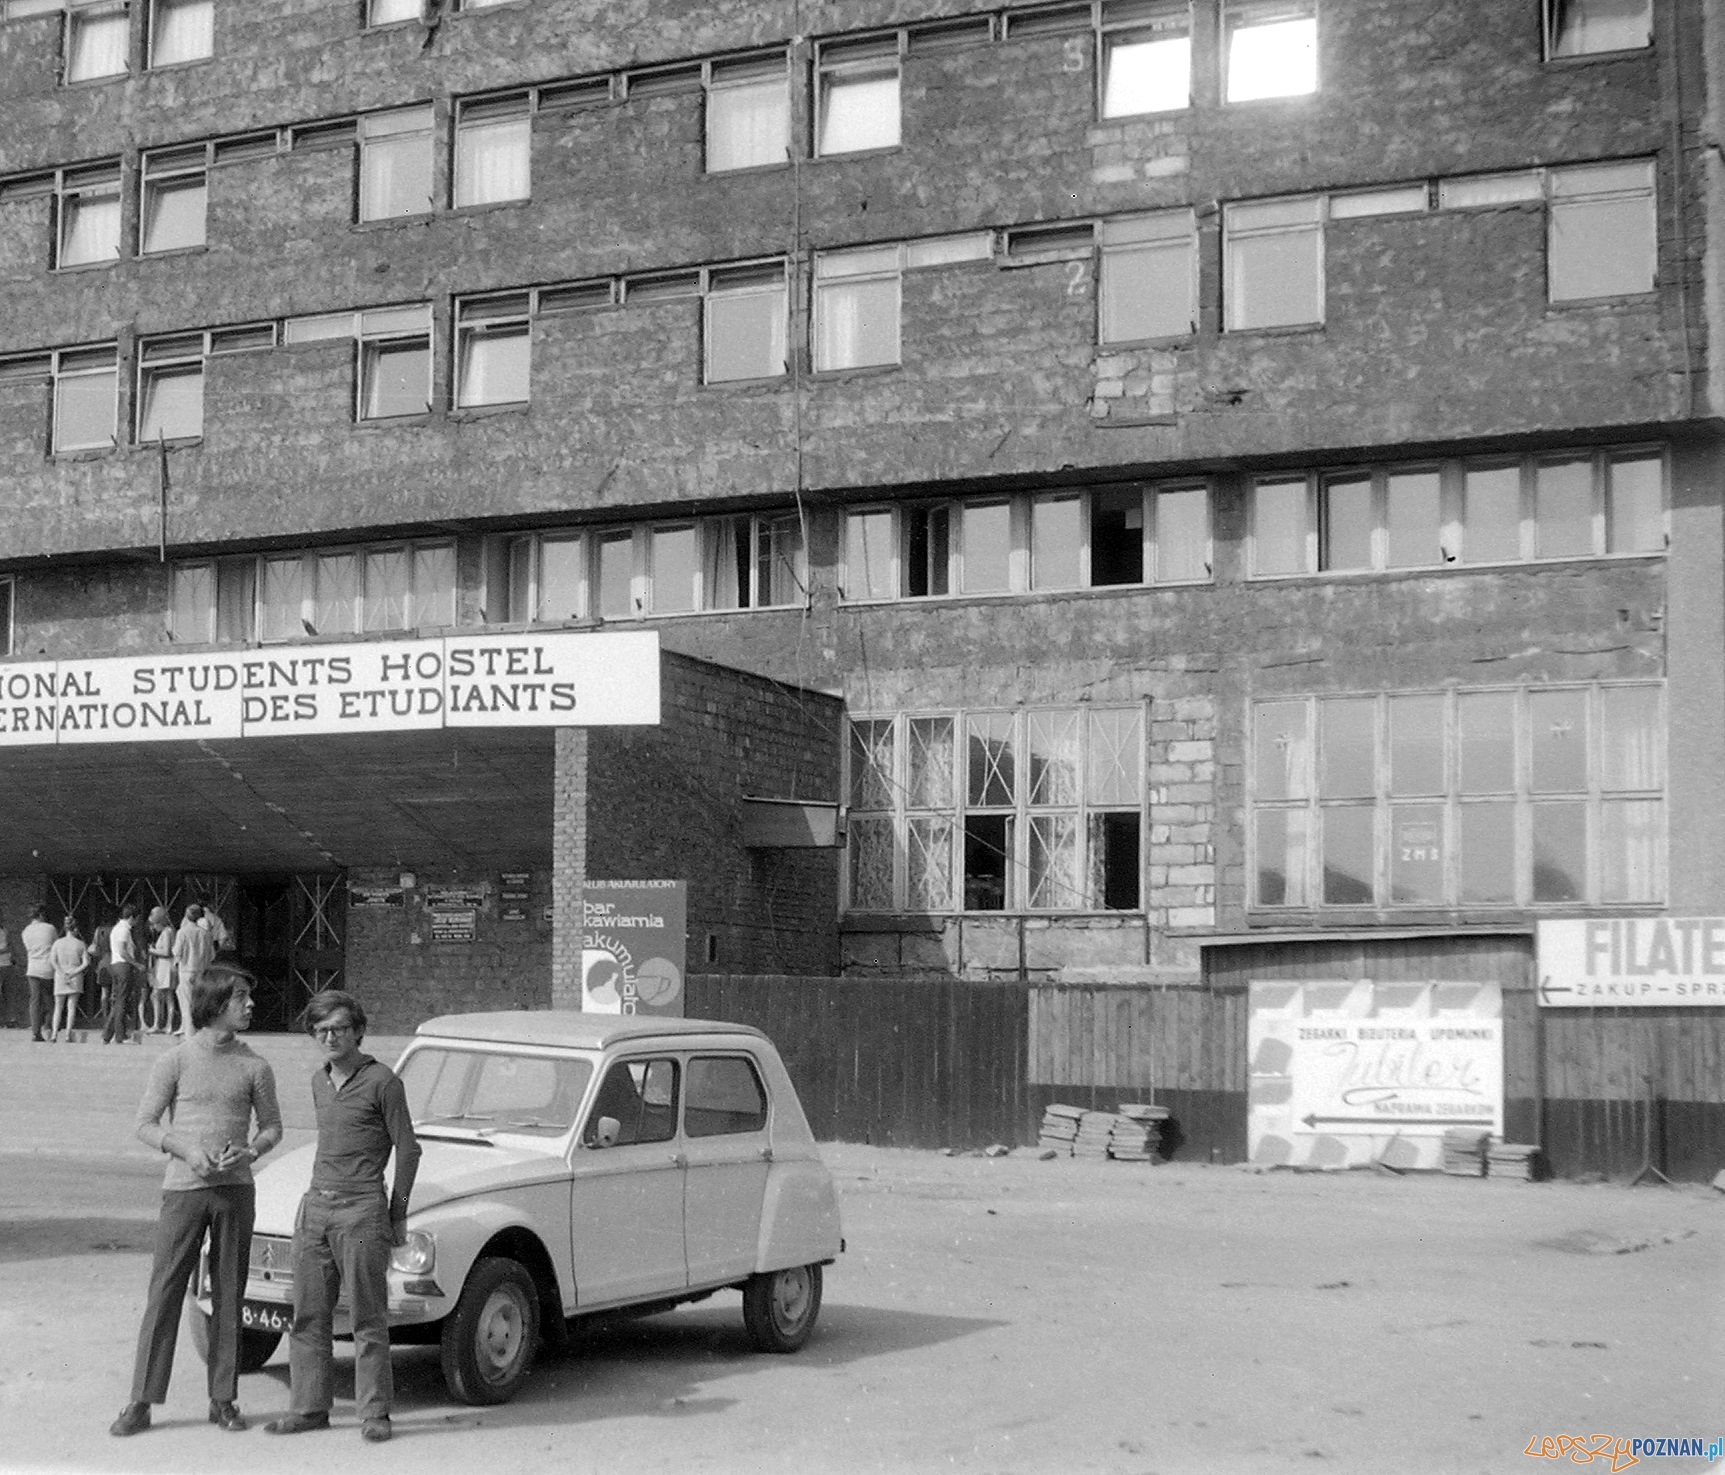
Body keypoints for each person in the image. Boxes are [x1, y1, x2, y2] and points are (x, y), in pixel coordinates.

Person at [109, 965, 282, 1439]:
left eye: (250, 996)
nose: (250, 1005)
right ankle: (141, 1401)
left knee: (229, 1293)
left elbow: (272, 1128)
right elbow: (144, 1123)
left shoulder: (255, 1065)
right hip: (183, 1190)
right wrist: (187, 1149)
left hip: (235, 1192)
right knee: (164, 1291)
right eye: (240, 997)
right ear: (214, 1003)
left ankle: (223, 1399)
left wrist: (251, 1149)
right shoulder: (176, 1060)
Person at [265, 990, 419, 1444]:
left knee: (367, 1317)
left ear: (358, 1032)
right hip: (316, 1208)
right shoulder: (318, 1080)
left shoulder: (383, 1081)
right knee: (308, 1314)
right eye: (321, 1031)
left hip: (361, 1210)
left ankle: (375, 1414)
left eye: (338, 1028)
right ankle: (310, 1407)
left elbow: (408, 1149)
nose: (329, 1037)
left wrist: (398, 1215)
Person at [172, 904, 216, 1041]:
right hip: (202, 970)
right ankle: (199, 1034)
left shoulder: (182, 932)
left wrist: (176, 963)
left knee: (186, 1004)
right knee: (199, 1004)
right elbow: (212, 955)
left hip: (186, 970)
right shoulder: (206, 934)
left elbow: (177, 952)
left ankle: (190, 1035)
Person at [102, 903, 144, 1045]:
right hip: (123, 966)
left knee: (119, 999)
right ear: (132, 917)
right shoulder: (123, 930)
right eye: (137, 919)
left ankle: (107, 1034)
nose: (137, 922)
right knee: (122, 1001)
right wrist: (136, 964)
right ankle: (121, 1035)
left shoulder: (118, 928)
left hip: (117, 966)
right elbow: (122, 951)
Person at [48, 917, 88, 1042]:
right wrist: (73, 973)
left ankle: (54, 1034)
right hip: (75, 976)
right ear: (75, 929)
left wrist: (62, 973)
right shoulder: (80, 944)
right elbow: (86, 963)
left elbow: (53, 961)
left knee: (58, 1007)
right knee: (71, 1007)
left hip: (61, 975)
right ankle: (67, 1034)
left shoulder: (57, 943)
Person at [22, 906, 57, 1042]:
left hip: (32, 968)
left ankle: (35, 1031)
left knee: (35, 1000)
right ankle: (49, 1027)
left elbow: (28, 948)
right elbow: (55, 945)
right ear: (42, 914)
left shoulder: (26, 931)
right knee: (49, 999)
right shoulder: (50, 928)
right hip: (47, 967)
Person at [146, 907, 177, 1034]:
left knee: (158, 994)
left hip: (165, 966)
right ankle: (164, 1024)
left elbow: (166, 951)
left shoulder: (167, 932)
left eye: (154, 924)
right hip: (164, 966)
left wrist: (152, 950)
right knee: (166, 996)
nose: (153, 928)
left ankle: (160, 1024)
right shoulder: (168, 931)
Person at [0, 913, 16, 1028]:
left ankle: (9, 1019)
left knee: (8, 993)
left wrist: (12, 955)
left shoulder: (5, 930)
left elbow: (10, 944)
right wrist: (4, 950)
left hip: (7, 964)